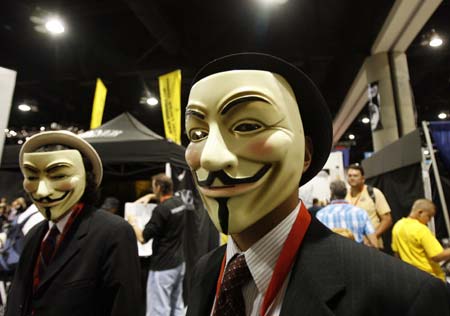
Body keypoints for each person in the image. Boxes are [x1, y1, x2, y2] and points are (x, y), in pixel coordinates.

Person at [184, 53, 450, 316]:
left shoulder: (402, 299)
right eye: (197, 134)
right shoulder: (205, 272)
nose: (210, 157)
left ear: (305, 154)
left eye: (248, 126)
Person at [6, 130, 142, 316]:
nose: (42, 190)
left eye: (58, 176)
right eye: (32, 177)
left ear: (86, 178)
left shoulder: (112, 233)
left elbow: (124, 307)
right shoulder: (34, 235)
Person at [129, 173, 186, 316]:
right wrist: (150, 197)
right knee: (176, 306)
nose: (152, 189)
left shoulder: (160, 210)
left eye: (153, 186)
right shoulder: (180, 203)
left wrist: (133, 221)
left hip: (162, 267)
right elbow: (167, 201)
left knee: (158, 310)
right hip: (179, 263)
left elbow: (142, 238)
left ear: (159, 187)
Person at [392, 199, 450, 281]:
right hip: (430, 278)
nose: (429, 220)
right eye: (429, 216)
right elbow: (437, 256)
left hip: (410, 277)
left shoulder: (397, 226)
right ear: (420, 212)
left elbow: (396, 254)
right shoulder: (421, 229)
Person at [316, 180, 378, 247]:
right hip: (356, 254)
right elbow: (374, 244)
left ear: (331, 194)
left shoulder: (320, 215)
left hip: (330, 255)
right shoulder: (360, 213)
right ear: (346, 193)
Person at [346, 163, 392, 248]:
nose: (352, 178)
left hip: (372, 245)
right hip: (352, 246)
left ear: (363, 179)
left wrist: (372, 237)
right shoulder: (345, 196)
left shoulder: (374, 193)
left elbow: (387, 219)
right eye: (349, 175)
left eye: (355, 176)